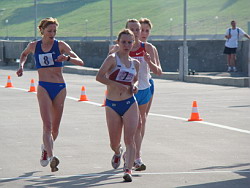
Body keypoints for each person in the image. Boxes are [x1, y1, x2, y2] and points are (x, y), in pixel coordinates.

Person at [16, 17, 84, 172]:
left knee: (55, 129)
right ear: (42, 31)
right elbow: (23, 54)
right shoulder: (34, 46)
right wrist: (21, 66)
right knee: (47, 125)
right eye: (49, 31)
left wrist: (66, 58)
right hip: (44, 87)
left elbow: (80, 61)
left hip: (59, 88)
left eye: (54, 31)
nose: (52, 34)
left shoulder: (60, 45)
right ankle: (52, 157)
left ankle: (45, 149)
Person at [110, 19, 161, 171]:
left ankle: (136, 157)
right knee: (123, 128)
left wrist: (149, 62)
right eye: (133, 30)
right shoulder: (118, 49)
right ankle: (119, 151)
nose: (138, 33)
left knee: (140, 123)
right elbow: (107, 72)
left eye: (139, 30)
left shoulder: (149, 48)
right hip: (123, 92)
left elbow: (158, 71)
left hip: (144, 89)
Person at [96, 29, 140, 182]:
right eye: (124, 42)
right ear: (118, 43)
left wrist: (134, 86)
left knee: (130, 138)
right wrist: (115, 84)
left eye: (129, 42)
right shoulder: (112, 59)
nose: (127, 45)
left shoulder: (136, 63)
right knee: (114, 142)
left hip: (130, 102)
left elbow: (135, 80)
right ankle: (117, 152)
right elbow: (99, 77)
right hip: (113, 104)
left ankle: (128, 169)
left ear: (133, 43)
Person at [139, 18, 162, 116]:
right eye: (141, 30)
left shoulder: (151, 48)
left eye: (147, 31)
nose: (144, 33)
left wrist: (149, 62)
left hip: (147, 84)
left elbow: (159, 71)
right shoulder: (127, 46)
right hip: (131, 86)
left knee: (143, 118)